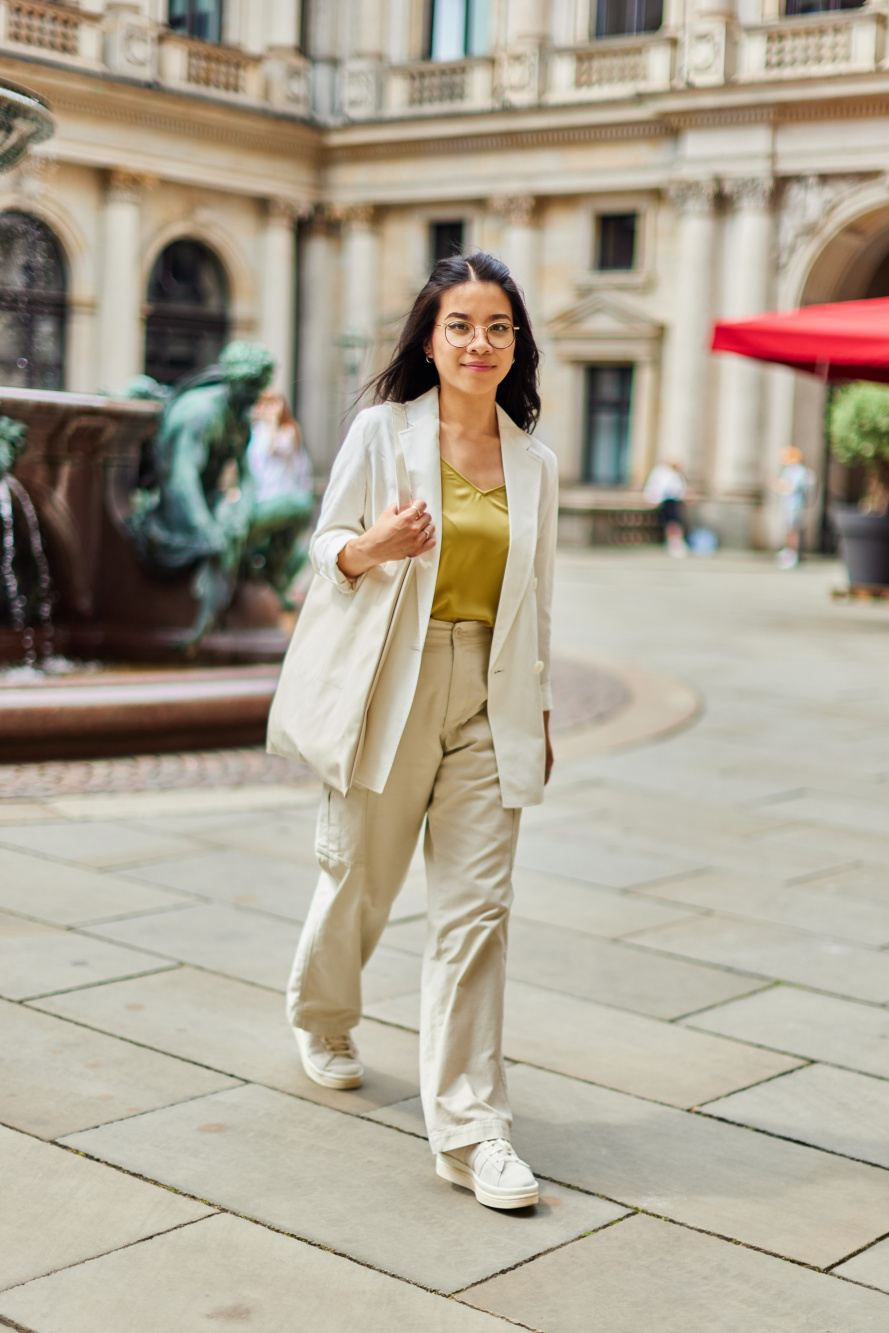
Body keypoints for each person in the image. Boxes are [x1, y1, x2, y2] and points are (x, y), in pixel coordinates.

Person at [285, 252, 558, 1212]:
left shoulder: (535, 461)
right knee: (359, 877)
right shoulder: (382, 433)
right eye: (459, 326)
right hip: (389, 681)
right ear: (430, 338)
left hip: (489, 693)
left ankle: (472, 1131)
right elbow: (324, 549)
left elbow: (538, 601)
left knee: (476, 914)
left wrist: (542, 710)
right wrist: (371, 548)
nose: (478, 343)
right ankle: (321, 1015)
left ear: (514, 343)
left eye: (496, 327)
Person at [247, 391, 314, 501]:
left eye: (272, 405)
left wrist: (273, 423)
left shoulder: (288, 431)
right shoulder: (256, 430)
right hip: (261, 493)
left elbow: (274, 449)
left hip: (283, 493)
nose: (268, 410)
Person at [772, 446, 816, 569]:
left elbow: (792, 487)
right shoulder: (790, 470)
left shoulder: (798, 470)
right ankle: (788, 554)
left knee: (793, 532)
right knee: (789, 531)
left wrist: (778, 485)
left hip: (795, 505)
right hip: (788, 505)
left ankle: (792, 556)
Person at [644, 459, 688, 557]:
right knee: (672, 523)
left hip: (672, 501)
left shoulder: (673, 474)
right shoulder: (665, 473)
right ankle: (674, 544)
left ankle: (675, 543)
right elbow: (663, 488)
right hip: (669, 501)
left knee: (674, 522)